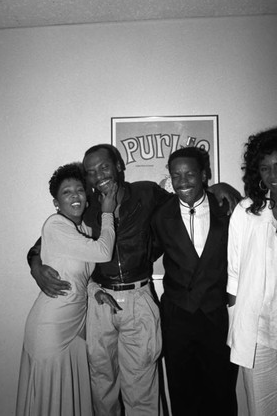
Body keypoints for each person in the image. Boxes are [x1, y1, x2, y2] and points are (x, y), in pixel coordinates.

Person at [27, 144, 241, 416]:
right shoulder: (87, 205)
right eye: (91, 172)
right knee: (102, 391)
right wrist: (35, 262)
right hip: (100, 302)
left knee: (142, 389)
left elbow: (187, 198)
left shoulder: (147, 193)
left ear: (118, 166)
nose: (98, 175)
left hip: (139, 299)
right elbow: (50, 239)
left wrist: (216, 188)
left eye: (104, 166)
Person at [16, 162, 117, 416]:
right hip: (50, 327)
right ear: (56, 202)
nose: (75, 196)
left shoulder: (83, 230)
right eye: (67, 192)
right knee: (50, 400)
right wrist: (107, 213)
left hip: (75, 327)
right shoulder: (55, 225)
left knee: (70, 398)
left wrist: (96, 291)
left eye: (80, 190)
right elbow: (103, 252)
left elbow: (80, 276)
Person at [151, 147, 238, 416]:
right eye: (176, 175)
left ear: (204, 175)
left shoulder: (228, 208)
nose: (183, 181)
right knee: (182, 392)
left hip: (217, 314)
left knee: (221, 391)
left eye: (190, 174)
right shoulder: (159, 215)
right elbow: (140, 254)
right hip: (177, 316)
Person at [227, 127, 277, 416]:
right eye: (265, 168)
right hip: (258, 335)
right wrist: (237, 329)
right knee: (261, 409)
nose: (272, 175)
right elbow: (233, 275)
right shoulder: (247, 212)